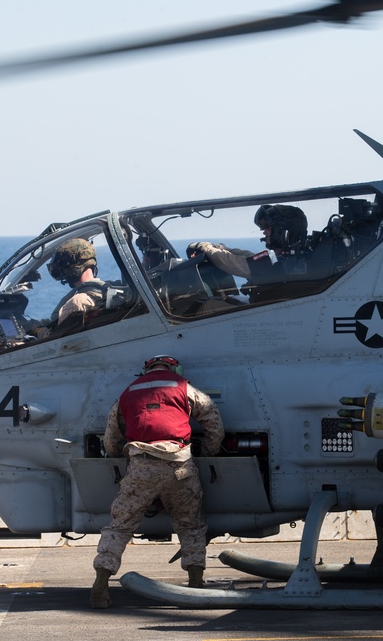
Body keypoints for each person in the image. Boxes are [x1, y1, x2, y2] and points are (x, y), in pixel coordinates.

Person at [90, 355, 224, 609]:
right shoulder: (184, 387)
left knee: (120, 527)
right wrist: (208, 450)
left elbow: (111, 438)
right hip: (180, 466)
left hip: (141, 467)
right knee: (191, 526)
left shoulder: (127, 394)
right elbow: (213, 420)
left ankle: (101, 585)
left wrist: (123, 458)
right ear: (174, 368)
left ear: (145, 370)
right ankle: (195, 584)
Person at [187, 204, 310, 280]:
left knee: (206, 307)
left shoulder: (288, 262)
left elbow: (236, 263)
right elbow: (250, 258)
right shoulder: (287, 257)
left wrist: (205, 248)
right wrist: (220, 247)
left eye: (268, 228)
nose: (264, 233)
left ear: (284, 232)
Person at [46, 238, 107, 327]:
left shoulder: (76, 303)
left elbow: (56, 337)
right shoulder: (106, 290)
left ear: (72, 270)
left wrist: (37, 330)